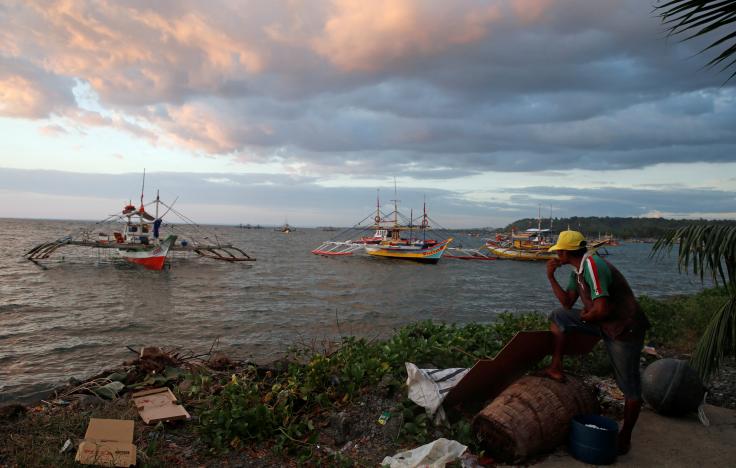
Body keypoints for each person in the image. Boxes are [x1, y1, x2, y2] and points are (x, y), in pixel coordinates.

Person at [544, 230, 650, 455]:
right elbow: (566, 303)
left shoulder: (592, 266)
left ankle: (625, 437)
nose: (556, 255)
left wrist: (585, 316)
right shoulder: (577, 270)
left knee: (629, 388)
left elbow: (601, 309)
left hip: (624, 330)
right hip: (604, 324)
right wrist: (551, 277)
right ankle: (556, 367)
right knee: (559, 316)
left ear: (565, 251)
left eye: (558, 251)